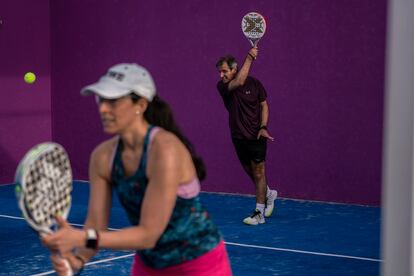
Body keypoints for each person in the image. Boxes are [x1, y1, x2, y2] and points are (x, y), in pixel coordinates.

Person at [42, 63, 232, 275]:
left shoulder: (165, 149)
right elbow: (96, 224)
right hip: (149, 265)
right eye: (101, 99)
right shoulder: (103, 157)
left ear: (140, 104)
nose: (103, 108)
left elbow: (148, 234)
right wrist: (77, 260)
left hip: (199, 264)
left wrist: (81, 237)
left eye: (112, 101)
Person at [216, 47, 278, 226]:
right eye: (220, 72)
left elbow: (264, 105)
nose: (221, 75)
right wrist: (250, 56)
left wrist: (264, 127)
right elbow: (240, 81)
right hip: (237, 136)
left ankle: (259, 213)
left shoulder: (256, 84)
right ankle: (268, 194)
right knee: (250, 171)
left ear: (234, 69)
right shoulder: (223, 87)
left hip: (257, 135)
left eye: (224, 71)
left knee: (259, 172)